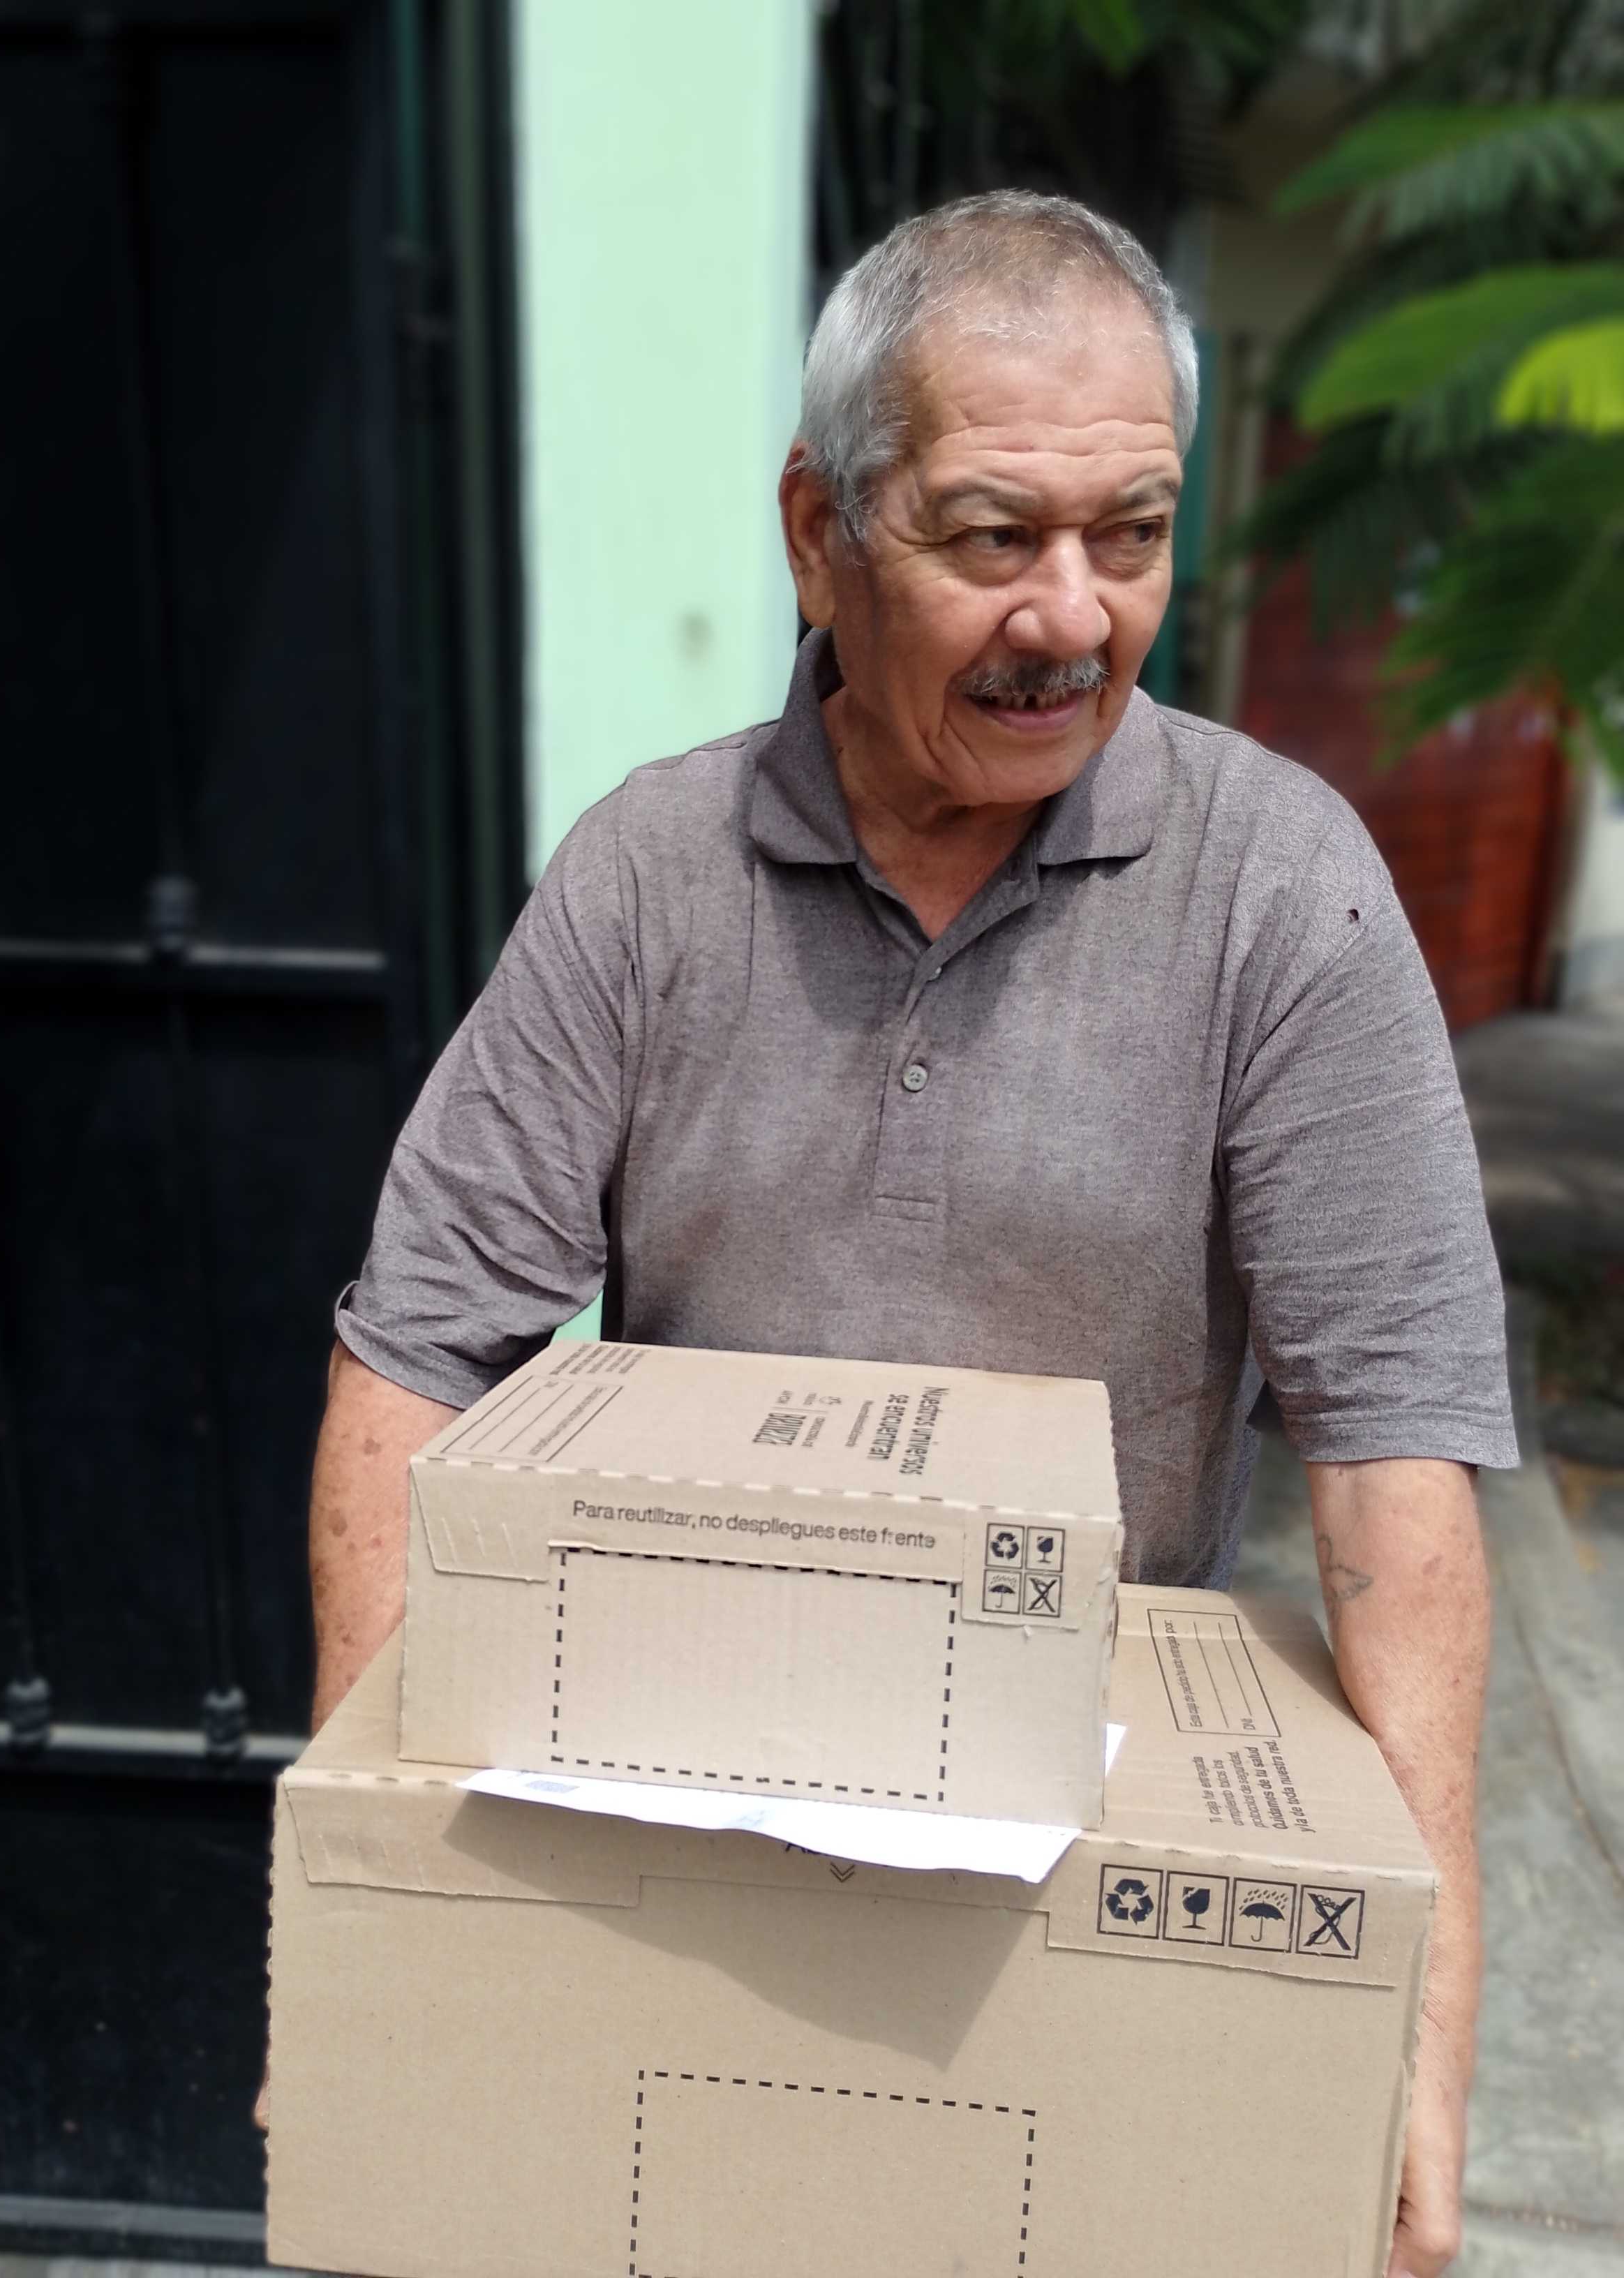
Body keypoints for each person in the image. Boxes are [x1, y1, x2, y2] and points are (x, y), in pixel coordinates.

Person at [300, 193, 1516, 2276]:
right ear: (819, 530)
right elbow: (412, 1362)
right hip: (672, 1839)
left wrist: (1420, 2025)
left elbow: (1393, 1466)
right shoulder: (650, 875)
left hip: (1085, 1879)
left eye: (1131, 534)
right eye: (993, 537)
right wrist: (370, 1903)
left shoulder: (1277, 885)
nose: (1073, 617)